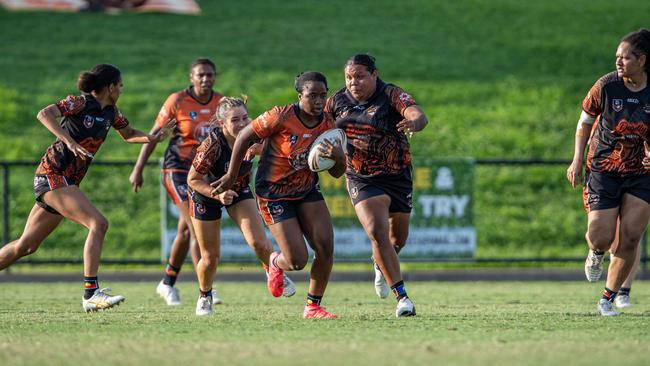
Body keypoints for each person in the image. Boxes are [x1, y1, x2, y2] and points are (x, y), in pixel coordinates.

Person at [0, 64, 172, 312]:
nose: (122, 90)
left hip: (66, 181)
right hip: (53, 174)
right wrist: (68, 141)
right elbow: (44, 114)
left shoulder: (112, 113)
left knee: (26, 246)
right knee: (98, 223)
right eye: (120, 85)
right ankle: (90, 293)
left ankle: (90, 293)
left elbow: (129, 133)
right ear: (110, 87)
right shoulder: (79, 103)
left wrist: (153, 138)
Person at [213, 72, 345, 319]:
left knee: (326, 248)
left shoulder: (327, 123)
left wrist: (340, 158)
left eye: (322, 95)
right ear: (300, 96)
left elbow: (338, 173)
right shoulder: (281, 116)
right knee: (297, 261)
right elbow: (243, 136)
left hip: (306, 189)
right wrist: (231, 176)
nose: (318, 101)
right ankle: (274, 263)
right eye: (312, 96)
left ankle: (312, 307)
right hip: (274, 194)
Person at [325, 54, 428, 317]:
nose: (353, 82)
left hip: (397, 175)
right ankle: (402, 298)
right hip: (361, 176)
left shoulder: (390, 93)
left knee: (397, 239)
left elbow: (417, 114)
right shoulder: (336, 102)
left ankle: (380, 263)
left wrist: (414, 121)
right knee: (376, 231)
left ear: (374, 74)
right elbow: (317, 128)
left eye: (359, 76)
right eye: (348, 77)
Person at [566, 28, 650, 316]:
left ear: (641, 60)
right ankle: (597, 253)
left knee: (629, 237)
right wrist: (577, 160)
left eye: (625, 57)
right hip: (604, 168)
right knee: (600, 236)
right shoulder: (606, 86)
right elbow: (584, 122)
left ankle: (608, 297)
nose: (618, 62)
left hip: (642, 173)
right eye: (616, 56)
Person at [187, 97, 296, 316]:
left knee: (260, 243)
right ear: (222, 124)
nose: (242, 123)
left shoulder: (255, 135)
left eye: (245, 117)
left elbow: (281, 151)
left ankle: (272, 270)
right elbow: (193, 179)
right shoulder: (212, 145)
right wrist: (217, 196)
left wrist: (262, 149)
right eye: (235, 120)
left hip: (238, 189)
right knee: (210, 258)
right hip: (206, 193)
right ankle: (205, 295)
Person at [129, 58, 223, 306]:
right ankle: (207, 290)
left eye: (210, 74)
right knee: (195, 225)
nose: (206, 78)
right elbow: (154, 135)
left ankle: (167, 283)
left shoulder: (221, 102)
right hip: (177, 170)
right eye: (200, 74)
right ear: (191, 77)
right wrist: (138, 168)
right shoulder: (178, 101)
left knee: (184, 229)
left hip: (202, 173)